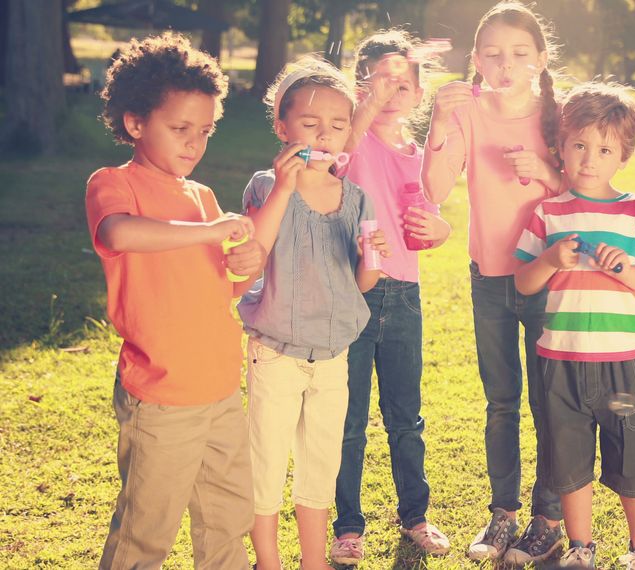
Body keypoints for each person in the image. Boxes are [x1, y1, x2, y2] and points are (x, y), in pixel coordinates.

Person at [86, 32, 263, 568]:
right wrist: (210, 233)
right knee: (147, 529)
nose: (194, 143)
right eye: (179, 128)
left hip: (219, 390)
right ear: (135, 123)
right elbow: (120, 235)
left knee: (228, 521)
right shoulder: (114, 184)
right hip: (160, 397)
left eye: (205, 131)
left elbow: (217, 292)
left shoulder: (203, 196)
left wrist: (245, 269)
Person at [420, 1, 566, 563]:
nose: (506, 66)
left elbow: (586, 186)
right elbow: (433, 190)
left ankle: (548, 518)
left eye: (519, 54)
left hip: (550, 277)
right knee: (501, 402)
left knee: (551, 402)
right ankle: (502, 515)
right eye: (493, 55)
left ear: (541, 58)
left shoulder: (559, 113)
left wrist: (546, 173)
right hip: (491, 279)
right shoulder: (467, 112)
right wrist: (436, 123)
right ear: (476, 60)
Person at [239, 56, 386, 570]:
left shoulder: (357, 199)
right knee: (266, 459)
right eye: (310, 123)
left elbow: (363, 283)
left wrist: (373, 259)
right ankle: (268, 561)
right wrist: (284, 186)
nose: (325, 135)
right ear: (282, 127)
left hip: (332, 352)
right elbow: (255, 248)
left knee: (320, 462)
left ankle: (313, 561)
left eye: (338, 125)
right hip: (275, 349)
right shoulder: (264, 185)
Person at [514, 82, 635, 569]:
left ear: (624, 154)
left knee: (634, 458)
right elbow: (523, 281)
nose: (589, 158)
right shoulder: (548, 212)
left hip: (623, 361)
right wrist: (552, 260)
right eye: (579, 145)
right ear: (561, 146)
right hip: (562, 359)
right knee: (570, 461)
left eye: (604, 149)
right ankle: (581, 549)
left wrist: (623, 269)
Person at [329, 30, 453, 564]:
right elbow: (336, 157)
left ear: (420, 92)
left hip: (404, 293)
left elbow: (430, 218)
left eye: (405, 81)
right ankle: (348, 525)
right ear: (361, 85)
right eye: (382, 78)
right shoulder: (352, 141)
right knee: (349, 419)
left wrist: (440, 231)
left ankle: (415, 515)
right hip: (353, 291)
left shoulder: (420, 156)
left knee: (407, 415)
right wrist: (367, 105)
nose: (395, 89)